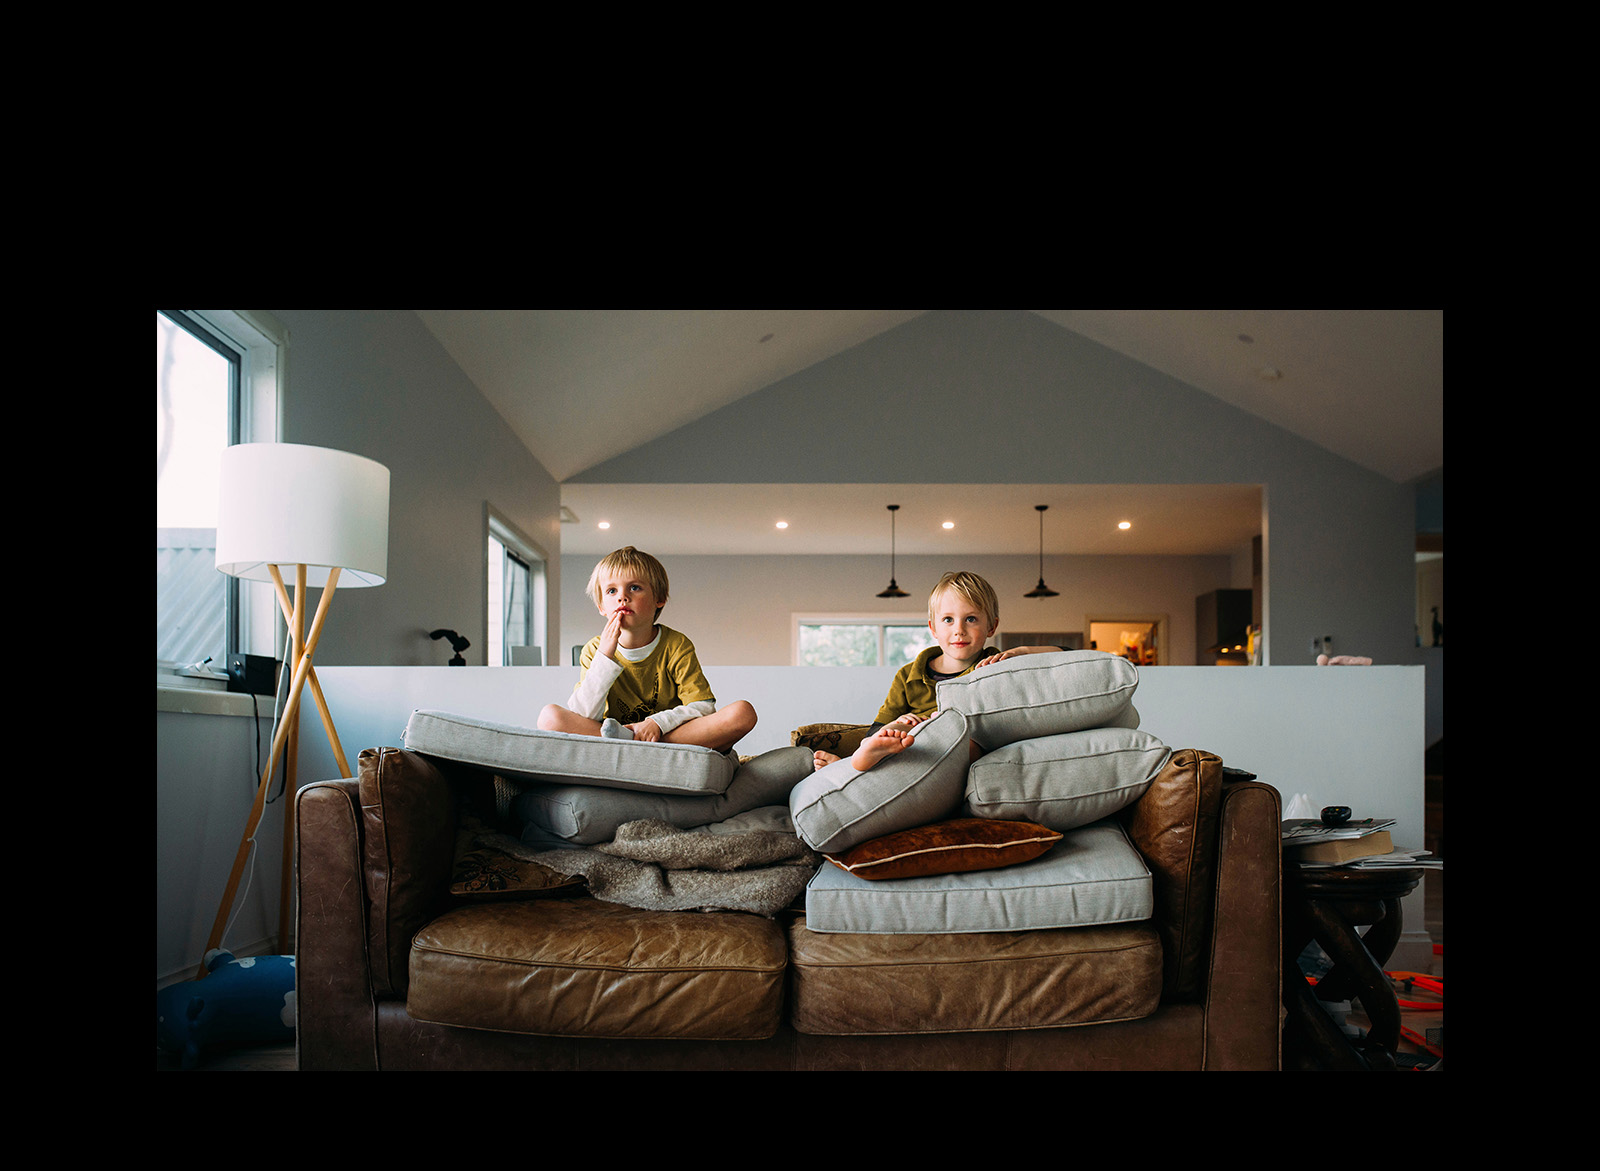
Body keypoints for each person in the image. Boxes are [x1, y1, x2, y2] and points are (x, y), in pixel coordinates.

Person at [816, 571, 1060, 772]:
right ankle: (854, 764)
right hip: (913, 741)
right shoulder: (908, 674)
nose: (959, 630)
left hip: (962, 742)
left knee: (969, 744)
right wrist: (897, 723)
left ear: (991, 626)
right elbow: (876, 728)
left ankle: (851, 769)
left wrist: (1022, 651)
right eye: (948, 620)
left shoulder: (996, 664)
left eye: (971, 619)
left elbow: (1066, 654)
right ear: (933, 628)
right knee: (893, 734)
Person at [537, 546, 757, 751]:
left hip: (666, 733)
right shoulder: (594, 649)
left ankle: (634, 744)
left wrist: (657, 723)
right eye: (612, 591)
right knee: (549, 717)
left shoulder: (676, 644)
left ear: (659, 599)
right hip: (609, 734)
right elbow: (583, 715)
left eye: (634, 588)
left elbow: (704, 707)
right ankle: (637, 744)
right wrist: (604, 656)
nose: (623, 597)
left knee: (743, 713)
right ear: (602, 607)